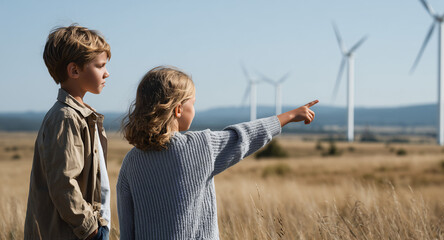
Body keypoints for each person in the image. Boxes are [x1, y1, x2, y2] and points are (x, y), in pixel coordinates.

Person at [117, 66, 318, 239]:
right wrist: (290, 116)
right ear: (178, 109)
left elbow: (127, 229)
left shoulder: (130, 161)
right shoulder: (200, 146)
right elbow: (245, 137)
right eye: (192, 103)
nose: (194, 109)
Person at [24, 25, 112, 240]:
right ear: (74, 70)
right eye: (100, 66)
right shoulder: (66, 117)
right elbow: (64, 183)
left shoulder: (82, 115)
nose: (106, 73)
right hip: (76, 233)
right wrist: (90, 229)